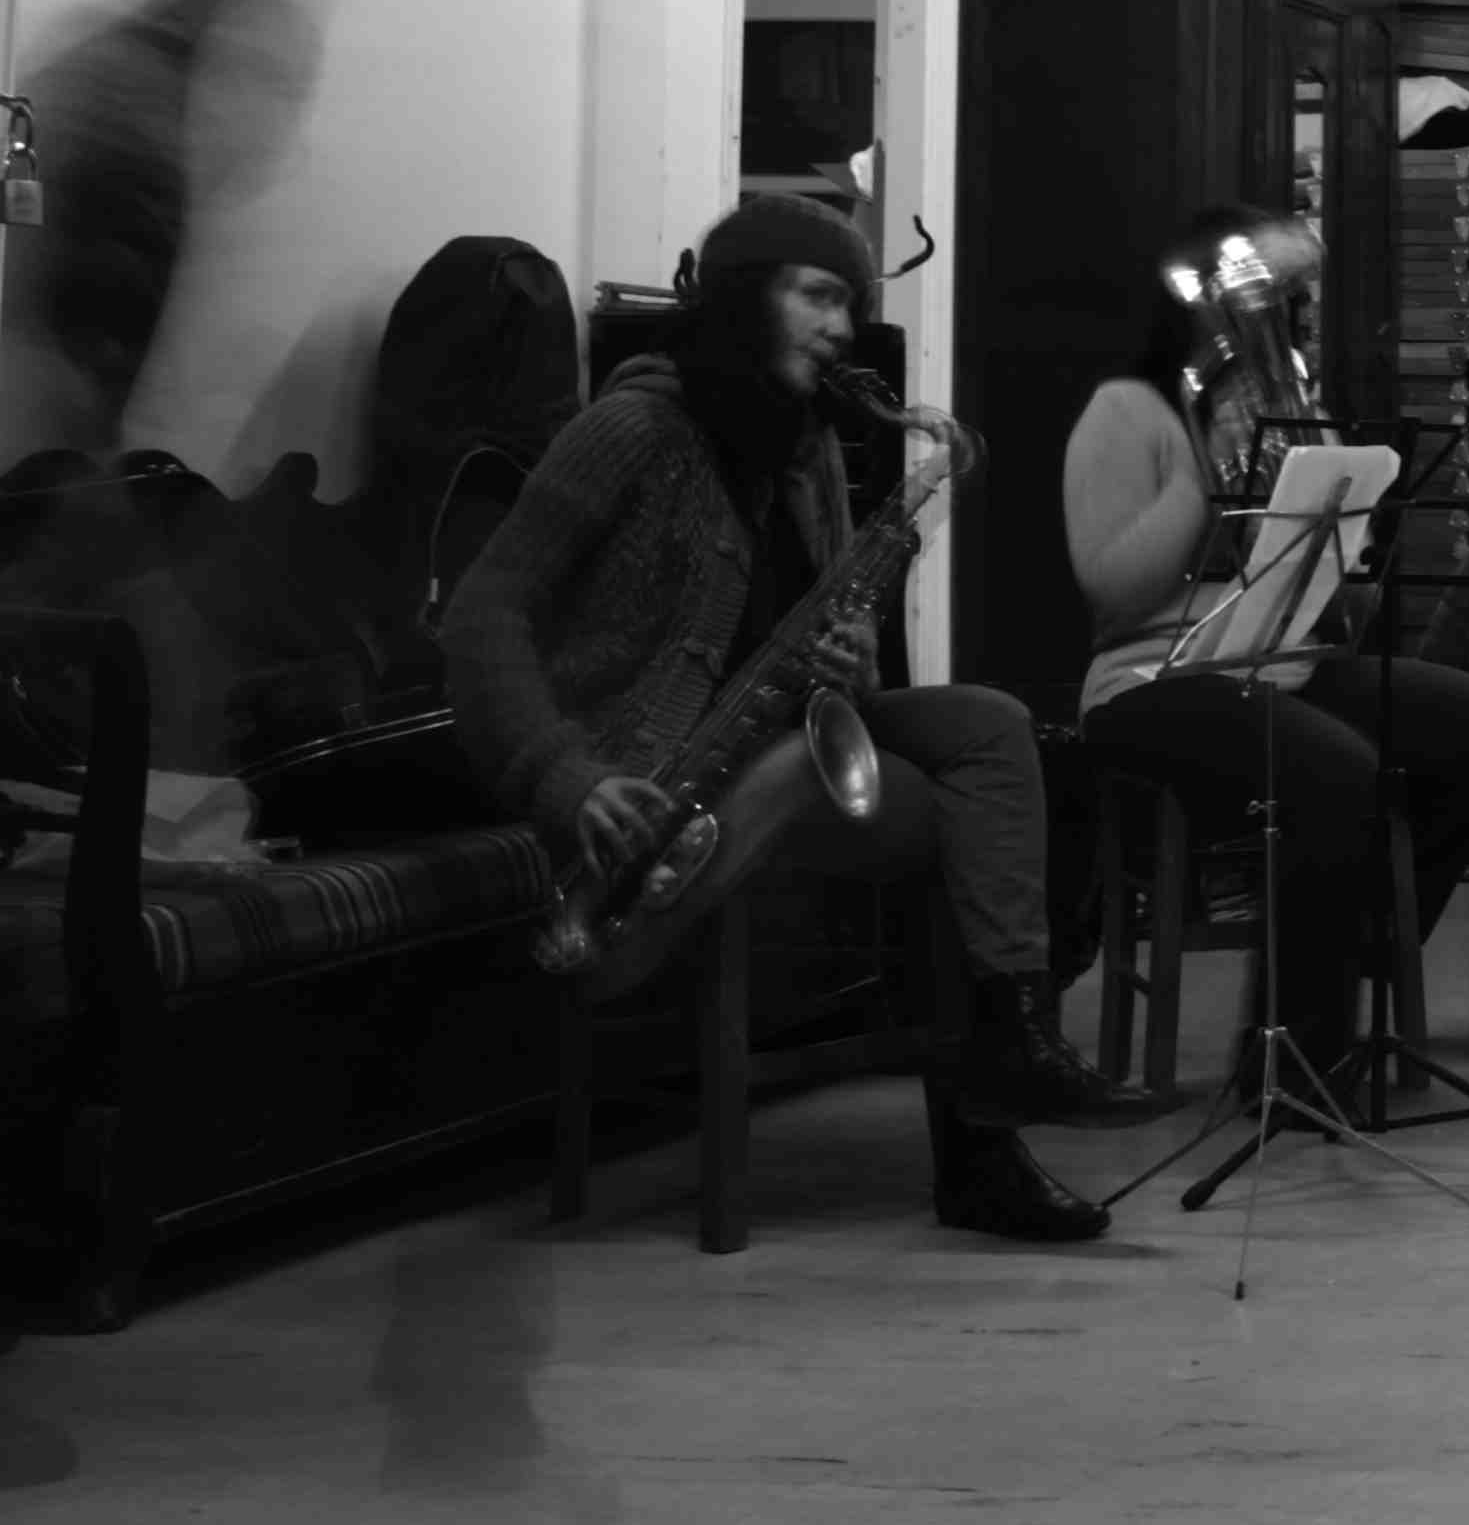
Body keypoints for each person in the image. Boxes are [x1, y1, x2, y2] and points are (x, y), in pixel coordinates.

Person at [443, 196, 1126, 1244]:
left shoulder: (806, 447)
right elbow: (482, 616)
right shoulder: (631, 430)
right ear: (741, 298)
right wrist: (564, 775)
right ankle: (985, 1137)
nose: (843, 328)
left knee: (995, 725)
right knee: (962, 829)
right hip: (652, 773)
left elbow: (826, 644)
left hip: (781, 736)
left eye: (850, 304)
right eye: (818, 296)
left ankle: (1010, 1044)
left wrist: (855, 663)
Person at [1062, 211, 1469, 1110]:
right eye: (1278, 296)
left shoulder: (1293, 411)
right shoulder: (1127, 410)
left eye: (1297, 297)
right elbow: (1114, 591)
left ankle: (1358, 960)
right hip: (1151, 681)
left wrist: (1343, 569)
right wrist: (1210, 473)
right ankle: (1293, 1063)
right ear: (1208, 303)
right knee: (1334, 770)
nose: (1298, 314)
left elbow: (1326, 596)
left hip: (1280, 664)